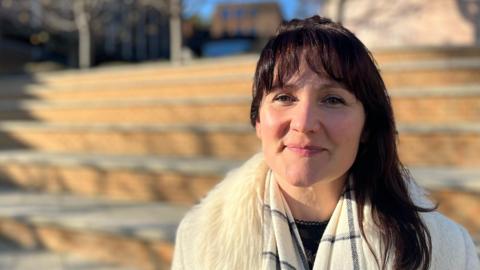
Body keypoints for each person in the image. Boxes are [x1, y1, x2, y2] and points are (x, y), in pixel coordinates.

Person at [172, 16, 479, 270]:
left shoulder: (445, 249)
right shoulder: (200, 238)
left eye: (332, 99)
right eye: (284, 98)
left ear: (367, 126)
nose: (304, 123)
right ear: (258, 121)